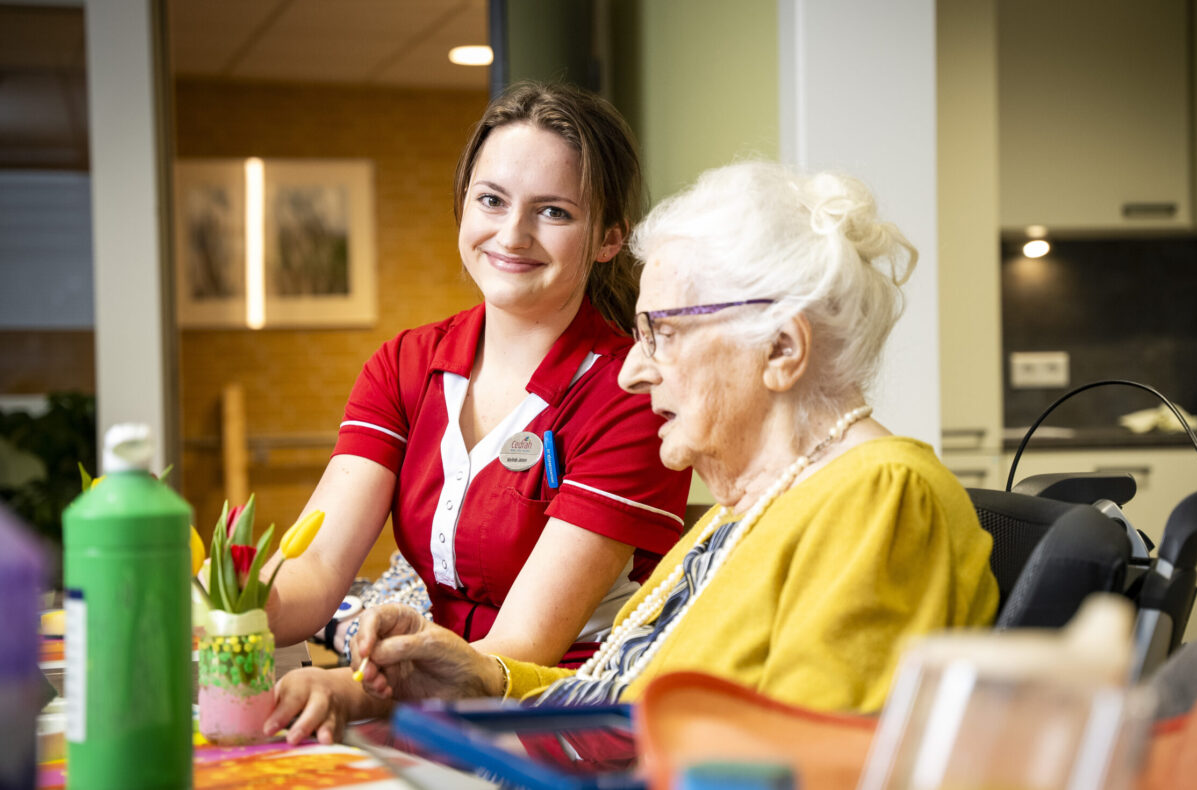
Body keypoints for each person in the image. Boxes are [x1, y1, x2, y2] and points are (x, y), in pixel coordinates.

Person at [266, 160, 999, 745]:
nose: (631, 370)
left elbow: (807, 764)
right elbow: (624, 697)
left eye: (663, 334)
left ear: (781, 348)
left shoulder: (879, 496)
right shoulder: (752, 508)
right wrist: (478, 680)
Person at [264, 82, 692, 669]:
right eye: (492, 200)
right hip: (436, 685)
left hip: (572, 699)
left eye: (553, 211)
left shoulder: (633, 394)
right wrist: (230, 605)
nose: (512, 234)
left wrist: (348, 692)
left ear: (609, 239)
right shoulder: (404, 366)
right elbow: (316, 565)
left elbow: (521, 649)